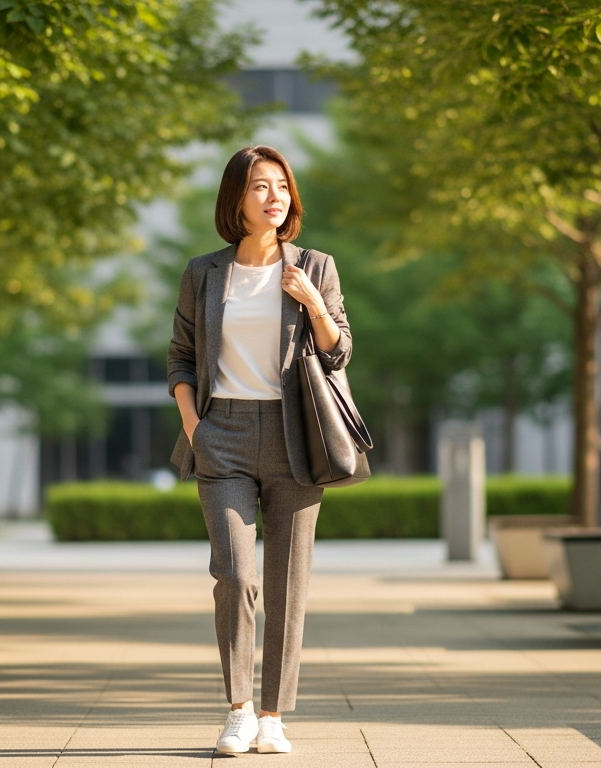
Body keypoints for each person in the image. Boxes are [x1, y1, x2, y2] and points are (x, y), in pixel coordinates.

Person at [167, 146, 352, 755]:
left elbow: (338, 350)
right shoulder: (204, 272)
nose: (273, 196)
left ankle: (273, 716)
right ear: (235, 200)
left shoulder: (315, 266)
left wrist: (313, 303)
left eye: (281, 186)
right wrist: (195, 425)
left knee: (287, 581)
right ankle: (239, 709)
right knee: (236, 575)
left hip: (296, 433)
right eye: (258, 187)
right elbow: (182, 356)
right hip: (222, 435)